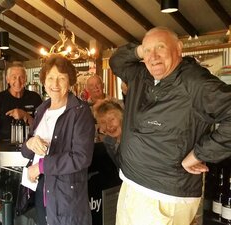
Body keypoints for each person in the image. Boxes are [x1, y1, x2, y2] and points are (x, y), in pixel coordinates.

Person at [109, 26, 231, 225]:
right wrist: (141, 50)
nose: (153, 56)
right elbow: (117, 61)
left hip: (164, 197)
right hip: (132, 185)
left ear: (179, 48)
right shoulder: (141, 75)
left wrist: (199, 154)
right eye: (147, 50)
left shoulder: (194, 81)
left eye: (160, 47)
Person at [21, 54, 95, 225]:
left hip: (66, 197)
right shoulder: (41, 110)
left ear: (70, 82)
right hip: (41, 189)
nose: (55, 84)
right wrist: (29, 143)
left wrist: (40, 167)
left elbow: (81, 157)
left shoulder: (80, 112)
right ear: (44, 81)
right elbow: (26, 152)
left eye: (61, 78)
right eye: (51, 78)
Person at [0, 61, 42, 141]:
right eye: (14, 77)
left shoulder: (35, 98)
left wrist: (25, 115)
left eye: (21, 77)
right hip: (2, 147)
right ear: (8, 79)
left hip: (29, 146)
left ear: (26, 79)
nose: (18, 81)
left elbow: (42, 127)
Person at [94, 100, 123, 167]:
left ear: (122, 117)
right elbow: (119, 166)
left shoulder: (135, 136)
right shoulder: (108, 141)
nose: (108, 126)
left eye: (111, 119)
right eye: (103, 122)